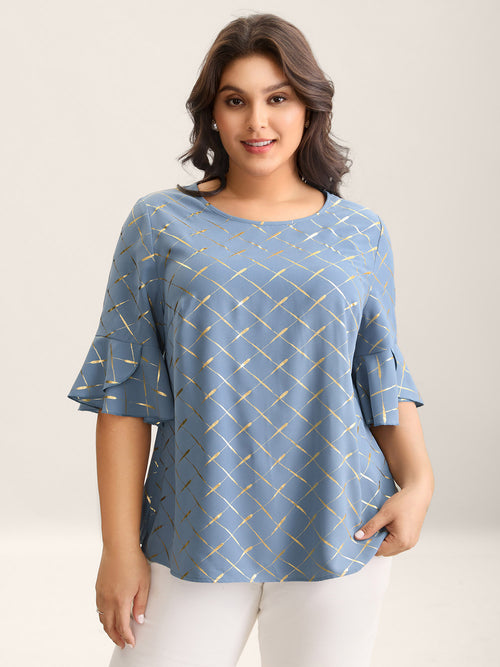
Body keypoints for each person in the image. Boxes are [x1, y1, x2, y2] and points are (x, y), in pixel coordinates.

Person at [67, 12, 434, 667]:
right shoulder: (159, 224)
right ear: (212, 113)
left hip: (341, 522)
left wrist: (420, 481)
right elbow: (125, 394)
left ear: (308, 107)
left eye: (278, 98)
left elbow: (378, 372)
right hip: (193, 525)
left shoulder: (361, 232)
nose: (257, 122)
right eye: (235, 100)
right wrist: (118, 549)